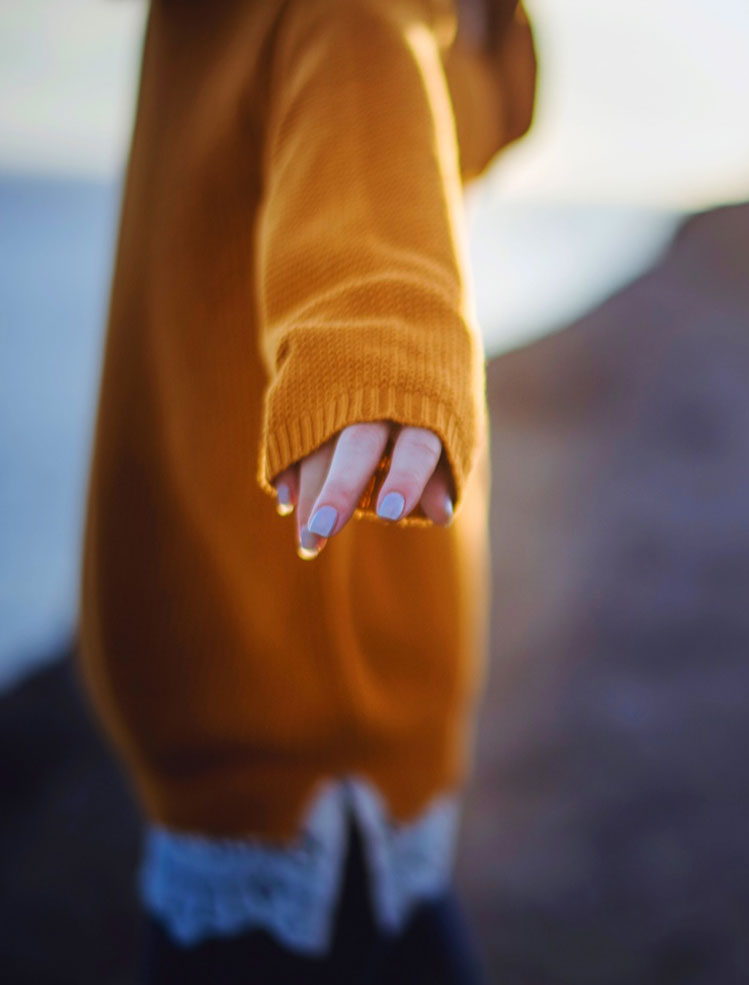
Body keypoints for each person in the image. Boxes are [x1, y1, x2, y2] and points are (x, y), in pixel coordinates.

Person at [77, 0, 537, 981]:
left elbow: (446, 116)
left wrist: (484, 27)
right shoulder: (339, 20)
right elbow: (358, 85)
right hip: (279, 746)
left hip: (341, 749)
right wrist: (382, 342)